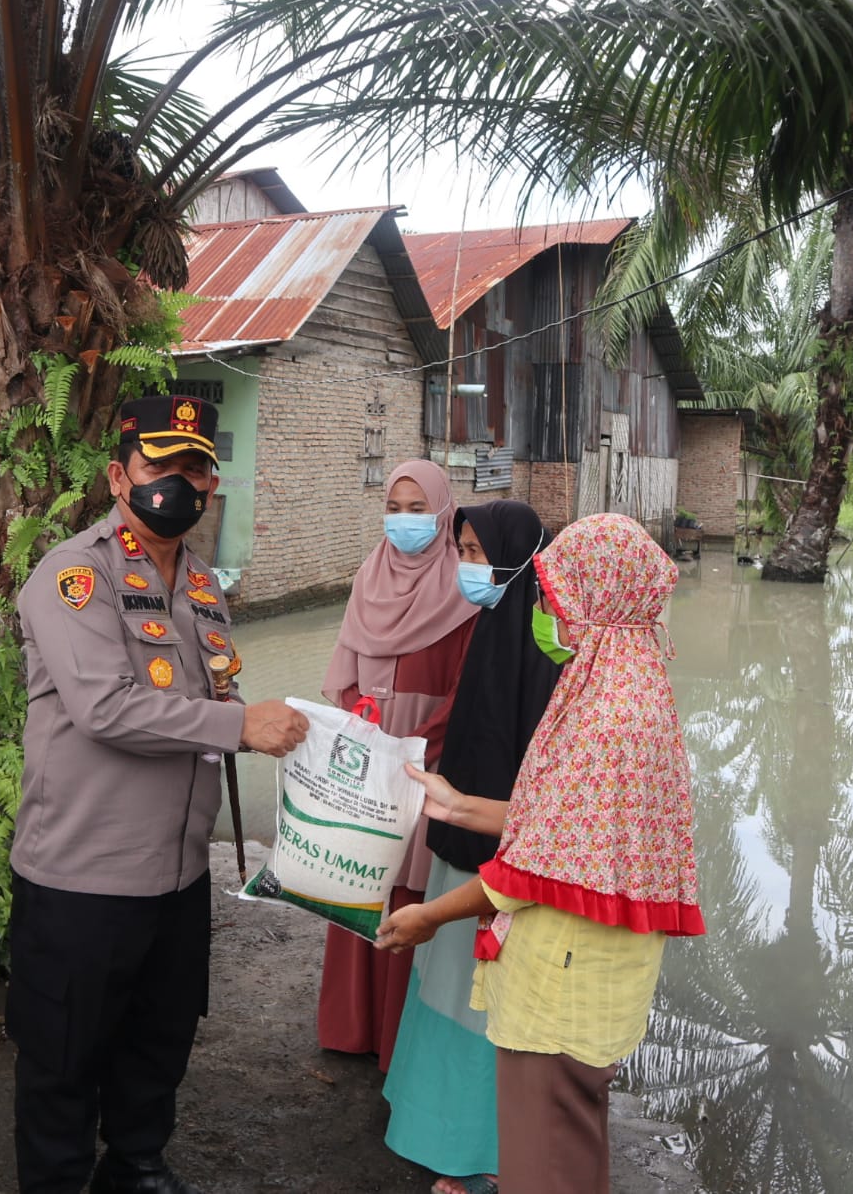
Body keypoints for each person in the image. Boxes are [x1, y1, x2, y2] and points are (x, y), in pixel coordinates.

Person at [9, 394, 309, 1194]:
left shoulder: (202, 582)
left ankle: (135, 1163)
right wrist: (241, 727)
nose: (179, 482)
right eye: (160, 465)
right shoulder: (76, 574)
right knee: (63, 1053)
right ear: (119, 476)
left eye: (195, 468)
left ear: (212, 485)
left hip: (175, 871)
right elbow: (104, 708)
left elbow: (201, 698)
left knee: (160, 1034)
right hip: (84, 872)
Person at [377, 513, 706, 1194]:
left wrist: (429, 915)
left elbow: (533, 870)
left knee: (540, 1166)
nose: (546, 614)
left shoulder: (605, 718)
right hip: (589, 980)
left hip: (561, 985)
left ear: (597, 601)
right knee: (568, 1152)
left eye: (556, 599)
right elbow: (558, 824)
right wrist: (459, 804)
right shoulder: (628, 690)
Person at [382, 502, 559, 1194]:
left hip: (509, 858)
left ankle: (483, 1154)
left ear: (518, 555)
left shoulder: (547, 648)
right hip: (464, 835)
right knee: (446, 986)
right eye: (461, 549)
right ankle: (433, 1128)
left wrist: (489, 825)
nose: (467, 565)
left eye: (478, 551)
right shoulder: (492, 624)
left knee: (488, 1004)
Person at [317, 460, 478, 1070]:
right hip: (366, 751)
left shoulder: (462, 587)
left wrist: (417, 744)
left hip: (424, 762)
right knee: (356, 877)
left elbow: (466, 689)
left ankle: (393, 1041)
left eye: (419, 510)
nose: (406, 521)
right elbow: (343, 670)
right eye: (397, 508)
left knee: (407, 892)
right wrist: (360, 727)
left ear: (442, 513)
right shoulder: (368, 577)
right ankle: (348, 1027)